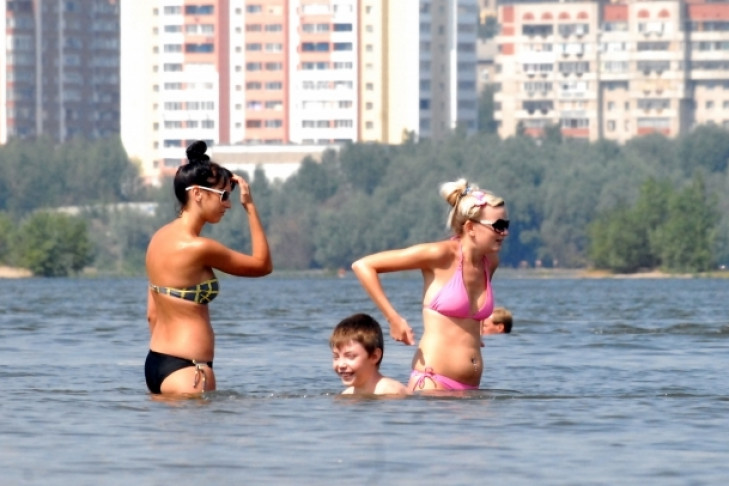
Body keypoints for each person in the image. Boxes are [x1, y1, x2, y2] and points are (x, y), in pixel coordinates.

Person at [351, 178, 509, 392]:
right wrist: (393, 319)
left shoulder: (490, 262)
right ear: (471, 227)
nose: (505, 233)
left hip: (471, 390)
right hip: (433, 383)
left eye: (506, 225)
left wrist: (475, 329)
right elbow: (363, 265)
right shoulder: (439, 254)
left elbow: (471, 310)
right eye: (498, 226)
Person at [145, 140, 273, 396]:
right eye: (223, 195)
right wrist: (250, 206)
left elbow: (152, 314)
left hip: (156, 362)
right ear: (197, 194)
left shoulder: (158, 239)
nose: (228, 204)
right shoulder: (199, 247)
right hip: (189, 369)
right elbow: (263, 265)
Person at [330, 313, 410, 395]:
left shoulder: (390, 391)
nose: (341, 365)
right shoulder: (347, 394)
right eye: (336, 357)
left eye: (350, 356)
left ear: (374, 356)